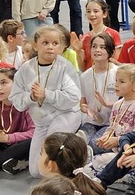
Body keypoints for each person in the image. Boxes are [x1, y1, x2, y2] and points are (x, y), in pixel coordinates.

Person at [10, 23, 83, 177]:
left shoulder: (65, 67)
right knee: (36, 172)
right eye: (45, 43)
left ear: (61, 47)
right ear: (35, 46)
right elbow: (16, 100)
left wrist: (47, 95)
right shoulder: (25, 70)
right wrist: (30, 97)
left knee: (51, 152)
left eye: (55, 43)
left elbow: (74, 97)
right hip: (41, 122)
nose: (50, 47)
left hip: (65, 115)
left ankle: (79, 150)